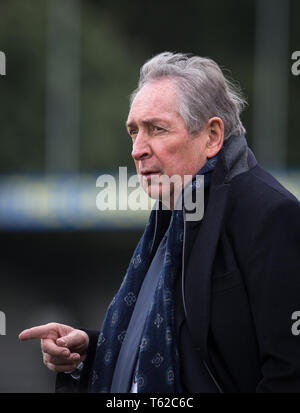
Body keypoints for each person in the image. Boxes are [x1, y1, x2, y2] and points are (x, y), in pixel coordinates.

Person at [19, 52, 300, 393]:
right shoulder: (172, 212)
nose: (138, 149)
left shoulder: (271, 214)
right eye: (133, 132)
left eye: (156, 129)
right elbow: (175, 348)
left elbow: (289, 371)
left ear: (212, 136)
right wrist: (90, 352)